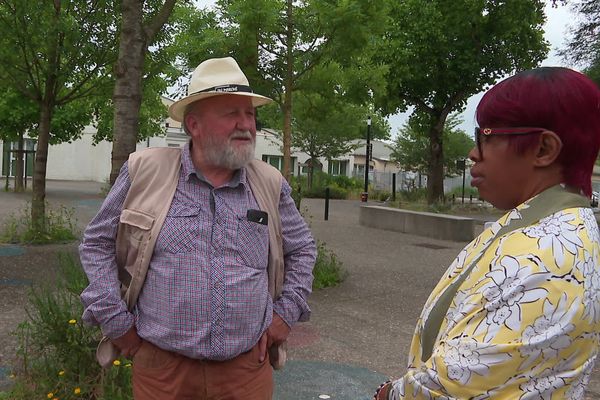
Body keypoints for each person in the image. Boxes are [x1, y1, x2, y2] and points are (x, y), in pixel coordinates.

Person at [79, 57, 316, 400]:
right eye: (231, 113)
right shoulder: (145, 171)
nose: (245, 124)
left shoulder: (269, 183)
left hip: (246, 373)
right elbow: (97, 242)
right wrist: (118, 325)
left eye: (249, 114)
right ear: (194, 124)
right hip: (162, 372)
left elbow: (303, 249)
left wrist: (285, 315)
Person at [374, 67, 600, 399]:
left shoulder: (551, 256)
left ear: (543, 150)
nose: (473, 152)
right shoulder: (540, 225)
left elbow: (451, 385)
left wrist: (387, 394)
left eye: (487, 136)